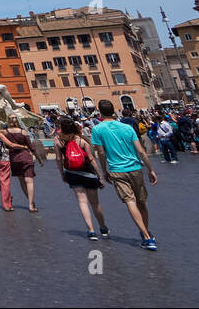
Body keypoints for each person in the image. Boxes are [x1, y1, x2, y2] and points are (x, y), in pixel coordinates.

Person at [90, 98, 158, 251]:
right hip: (135, 168)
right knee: (142, 202)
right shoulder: (127, 128)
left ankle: (146, 236)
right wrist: (151, 169)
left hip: (116, 170)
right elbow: (141, 151)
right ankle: (145, 232)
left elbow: (100, 152)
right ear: (114, 110)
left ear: (99, 112)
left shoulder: (97, 129)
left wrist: (104, 170)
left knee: (130, 201)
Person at [55, 117, 109, 240]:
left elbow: (59, 159)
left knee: (82, 202)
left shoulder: (58, 140)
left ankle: (91, 230)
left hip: (71, 173)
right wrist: (100, 176)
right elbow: (91, 159)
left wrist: (62, 173)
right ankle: (103, 227)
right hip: (88, 174)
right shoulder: (82, 140)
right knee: (95, 203)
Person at [0, 117, 37, 212]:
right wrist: (39, 159)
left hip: (14, 158)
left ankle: (30, 200)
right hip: (25, 157)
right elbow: (31, 147)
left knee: (22, 181)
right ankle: (31, 204)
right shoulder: (23, 132)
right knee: (29, 181)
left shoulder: (4, 132)